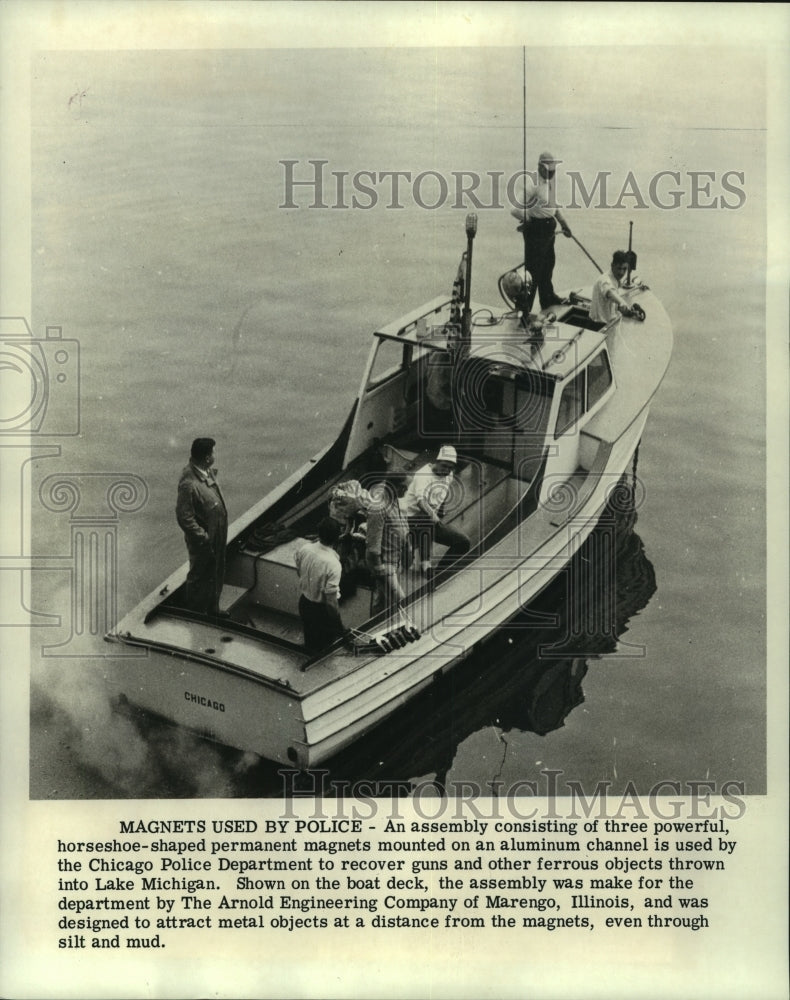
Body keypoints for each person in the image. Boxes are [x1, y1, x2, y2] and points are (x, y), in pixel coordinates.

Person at [510, 151, 573, 315]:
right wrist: (529, 221)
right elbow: (515, 209)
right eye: (548, 168)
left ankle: (547, 298)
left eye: (553, 168)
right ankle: (525, 308)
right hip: (537, 233)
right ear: (539, 166)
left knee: (548, 265)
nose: (551, 171)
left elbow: (553, 206)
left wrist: (563, 223)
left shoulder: (548, 183)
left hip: (549, 231)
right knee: (533, 272)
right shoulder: (532, 184)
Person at [176, 437, 228, 616]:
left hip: (217, 534)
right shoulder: (188, 483)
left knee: (216, 570)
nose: (215, 455)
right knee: (199, 576)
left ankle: (213, 608)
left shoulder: (205, 470)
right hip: (203, 541)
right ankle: (196, 615)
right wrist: (202, 536)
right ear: (207, 457)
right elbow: (184, 517)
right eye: (213, 452)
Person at [403, 444, 470, 577]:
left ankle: (440, 574)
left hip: (428, 521)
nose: (446, 470)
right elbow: (421, 501)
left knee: (463, 542)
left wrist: (440, 513)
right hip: (408, 520)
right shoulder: (423, 475)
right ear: (437, 462)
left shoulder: (448, 475)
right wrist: (433, 515)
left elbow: (443, 494)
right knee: (425, 518)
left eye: (450, 468)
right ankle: (425, 565)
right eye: (444, 466)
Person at [294, 517, 346, 653]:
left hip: (304, 603)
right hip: (321, 612)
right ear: (337, 538)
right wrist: (339, 625)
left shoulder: (304, 549)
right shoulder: (333, 564)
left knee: (310, 642)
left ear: (319, 533)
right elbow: (331, 602)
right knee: (324, 650)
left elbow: (299, 571)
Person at [365, 476, 410, 618]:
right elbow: (373, 545)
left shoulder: (394, 500)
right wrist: (380, 569)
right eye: (403, 487)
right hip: (385, 563)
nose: (407, 490)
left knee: (383, 598)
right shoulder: (378, 508)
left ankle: (377, 624)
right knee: (401, 599)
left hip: (395, 557)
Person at [589, 251, 635, 324]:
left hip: (608, 320)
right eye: (619, 268)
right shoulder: (605, 280)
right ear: (612, 265)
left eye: (624, 269)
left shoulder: (614, 279)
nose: (622, 273)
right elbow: (609, 292)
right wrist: (622, 302)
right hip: (598, 324)